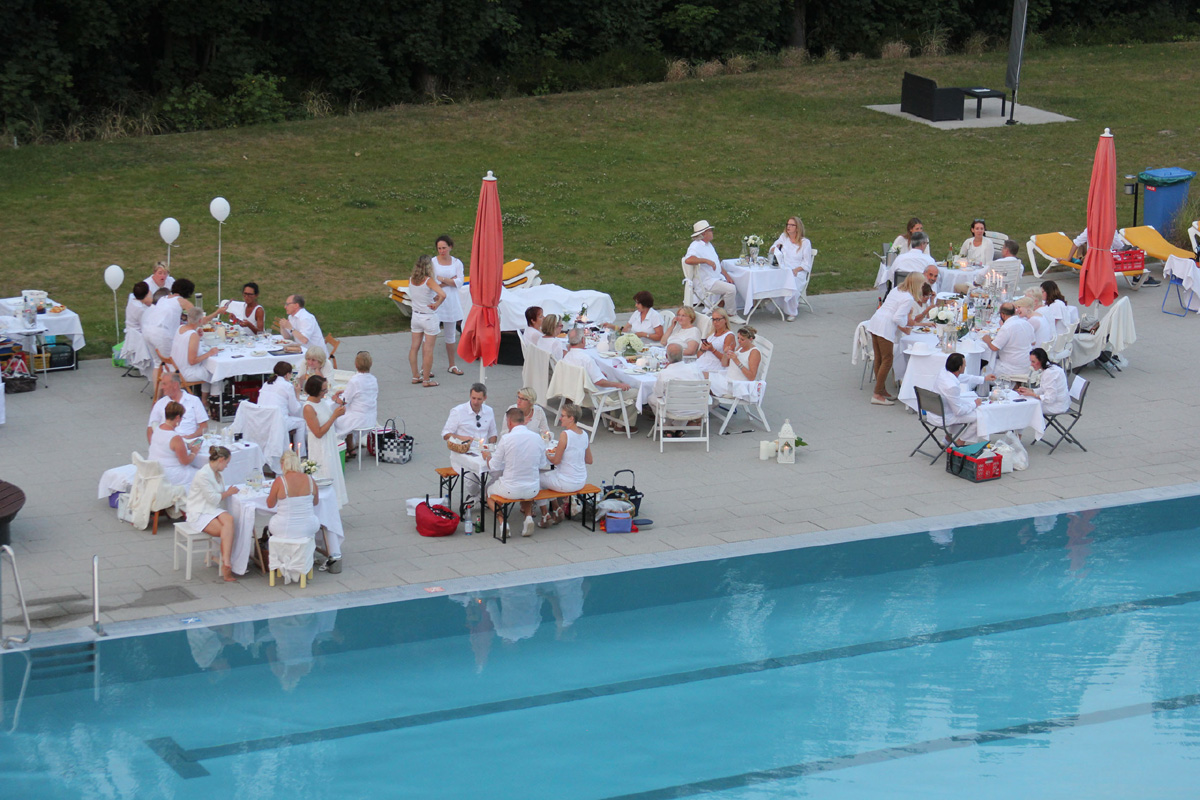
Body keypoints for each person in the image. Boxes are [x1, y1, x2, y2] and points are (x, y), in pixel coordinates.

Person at [483, 407, 549, 539]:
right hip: (533, 489)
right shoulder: (537, 438)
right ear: (524, 421)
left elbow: (494, 467)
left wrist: (487, 457)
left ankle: (503, 523)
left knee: (489, 493)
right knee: (526, 487)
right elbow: (542, 464)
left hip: (510, 489)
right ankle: (528, 517)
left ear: (509, 422)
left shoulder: (507, 439)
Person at [867, 272, 928, 406]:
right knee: (887, 360)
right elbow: (897, 318)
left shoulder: (897, 289)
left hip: (876, 321)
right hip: (885, 327)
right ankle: (877, 393)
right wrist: (907, 321)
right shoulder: (908, 298)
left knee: (879, 358)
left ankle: (881, 389)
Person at [561, 329, 637, 433]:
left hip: (578, 393)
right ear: (583, 340)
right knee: (636, 392)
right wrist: (618, 384)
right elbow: (599, 382)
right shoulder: (586, 359)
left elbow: (591, 376)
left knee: (614, 381)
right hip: (595, 397)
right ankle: (621, 425)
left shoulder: (568, 356)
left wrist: (599, 373)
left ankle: (612, 421)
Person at [266, 448, 325, 576]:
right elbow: (315, 502)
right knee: (313, 521)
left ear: (283, 464)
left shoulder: (280, 481)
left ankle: (282, 559)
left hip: (284, 527)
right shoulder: (310, 480)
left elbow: (270, 504)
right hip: (307, 526)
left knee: (271, 523)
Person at [186, 446, 241, 582]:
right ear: (221, 460)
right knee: (225, 530)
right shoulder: (203, 474)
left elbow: (217, 495)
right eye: (227, 462)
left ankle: (224, 561)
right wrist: (228, 493)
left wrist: (227, 492)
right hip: (199, 511)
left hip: (212, 509)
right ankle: (226, 564)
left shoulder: (217, 474)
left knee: (229, 519)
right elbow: (213, 498)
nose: (227, 466)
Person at [442, 382, 499, 504]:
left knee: (500, 472)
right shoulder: (458, 411)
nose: (475, 402)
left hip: (483, 451)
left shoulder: (489, 411)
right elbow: (445, 434)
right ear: (470, 396)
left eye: (479, 399)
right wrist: (461, 437)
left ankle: (483, 496)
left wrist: (491, 447)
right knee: (472, 480)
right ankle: (482, 496)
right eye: (473, 398)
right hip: (463, 453)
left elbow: (493, 434)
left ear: (485, 398)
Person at [539, 402, 592, 528]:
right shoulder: (584, 434)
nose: (560, 418)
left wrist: (546, 454)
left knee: (537, 479)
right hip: (581, 480)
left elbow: (556, 461)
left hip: (566, 482)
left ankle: (545, 514)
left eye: (563, 416)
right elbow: (589, 460)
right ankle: (556, 509)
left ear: (571, 418)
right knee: (548, 476)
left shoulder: (565, 435)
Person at [684, 220, 746, 324]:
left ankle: (720, 310)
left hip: (715, 277)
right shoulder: (696, 246)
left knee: (735, 281)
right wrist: (705, 260)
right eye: (710, 230)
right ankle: (731, 314)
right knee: (730, 289)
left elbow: (717, 263)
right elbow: (688, 260)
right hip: (706, 282)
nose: (712, 232)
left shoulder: (708, 245)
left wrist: (727, 276)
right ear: (704, 233)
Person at [303, 375, 348, 509]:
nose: (326, 392)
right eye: (323, 390)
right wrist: (334, 416)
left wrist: (337, 403)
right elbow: (318, 432)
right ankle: (325, 509)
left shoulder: (321, 402)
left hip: (329, 443)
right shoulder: (308, 408)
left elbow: (327, 412)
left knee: (333, 471)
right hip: (320, 446)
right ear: (316, 391)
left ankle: (334, 506)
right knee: (324, 473)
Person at [407, 255, 447, 387]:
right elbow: (443, 294)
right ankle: (426, 380)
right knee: (428, 350)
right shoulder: (428, 280)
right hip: (429, 316)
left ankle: (415, 375)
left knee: (414, 348)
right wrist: (437, 304)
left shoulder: (411, 279)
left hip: (416, 316)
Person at [431, 235, 466, 376]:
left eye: (444, 248)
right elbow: (432, 281)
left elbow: (459, 281)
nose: (441, 250)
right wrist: (448, 281)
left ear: (450, 247)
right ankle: (426, 366)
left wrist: (443, 280)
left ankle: (452, 365)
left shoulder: (457, 263)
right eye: (439, 248)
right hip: (436, 300)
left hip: (451, 301)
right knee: (430, 334)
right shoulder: (432, 262)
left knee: (450, 335)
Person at [170, 307, 219, 407]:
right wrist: (209, 353)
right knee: (217, 374)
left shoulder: (180, 328)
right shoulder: (193, 335)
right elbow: (192, 360)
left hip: (175, 369)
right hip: (186, 373)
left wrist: (197, 335)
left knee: (208, 368)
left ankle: (204, 401)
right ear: (200, 320)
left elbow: (185, 345)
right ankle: (214, 405)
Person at [148, 401, 203, 487]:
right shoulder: (175, 437)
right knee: (202, 475)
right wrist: (194, 452)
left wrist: (187, 446)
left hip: (155, 470)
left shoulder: (158, 428)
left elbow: (167, 448)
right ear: (177, 417)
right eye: (182, 418)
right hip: (169, 474)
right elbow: (185, 461)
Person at [333, 350, 379, 453]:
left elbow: (343, 401)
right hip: (371, 417)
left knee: (334, 418)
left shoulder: (355, 380)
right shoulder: (373, 379)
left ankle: (340, 448)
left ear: (356, 364)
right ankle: (351, 447)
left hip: (358, 419)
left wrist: (335, 397)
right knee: (346, 413)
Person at [936, 353, 985, 445]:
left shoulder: (943, 372)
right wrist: (975, 404)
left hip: (935, 411)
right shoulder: (952, 386)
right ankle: (959, 442)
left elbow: (962, 377)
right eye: (964, 364)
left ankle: (947, 439)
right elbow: (958, 411)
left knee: (965, 404)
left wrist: (983, 378)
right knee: (980, 417)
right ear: (959, 368)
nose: (965, 366)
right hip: (943, 416)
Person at [142, 277, 197, 361]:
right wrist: (217, 312)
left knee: (158, 363)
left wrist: (183, 317)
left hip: (147, 331)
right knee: (171, 364)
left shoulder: (163, 298)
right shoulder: (182, 301)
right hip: (161, 333)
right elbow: (196, 318)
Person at [771, 216, 814, 321]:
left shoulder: (805, 243)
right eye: (787, 225)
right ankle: (764, 301)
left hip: (798, 271)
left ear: (797, 227)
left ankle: (791, 312)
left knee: (792, 282)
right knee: (773, 277)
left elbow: (807, 263)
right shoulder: (784, 238)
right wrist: (776, 248)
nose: (788, 227)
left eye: (791, 225)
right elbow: (772, 249)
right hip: (784, 268)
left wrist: (796, 270)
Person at [147, 373, 209, 442]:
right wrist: (154, 447)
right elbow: (150, 428)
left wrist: (190, 437)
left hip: (190, 441)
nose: (162, 387)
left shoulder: (194, 400)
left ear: (175, 385)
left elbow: (204, 426)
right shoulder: (160, 403)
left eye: (164, 384)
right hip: (167, 444)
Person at [983, 302, 1036, 379]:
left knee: (985, 370)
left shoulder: (1006, 327)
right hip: (1027, 364)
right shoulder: (1026, 323)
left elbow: (994, 348)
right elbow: (1033, 342)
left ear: (1002, 315)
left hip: (1012, 367)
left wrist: (987, 340)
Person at [257, 361, 306, 446]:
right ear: (287, 374)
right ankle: (300, 453)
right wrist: (297, 393)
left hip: (263, 420)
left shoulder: (266, 383)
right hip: (278, 422)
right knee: (301, 422)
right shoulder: (287, 386)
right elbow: (294, 410)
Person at [1018, 348, 1070, 414]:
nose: (1031, 364)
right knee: (1026, 400)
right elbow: (1045, 389)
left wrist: (1032, 394)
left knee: (1025, 406)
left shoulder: (1049, 373)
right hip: (1061, 403)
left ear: (1041, 361)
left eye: (1033, 362)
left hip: (1056, 406)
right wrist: (1031, 390)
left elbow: (1049, 399)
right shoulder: (1051, 367)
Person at [694, 307, 735, 374]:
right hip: (702, 363)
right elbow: (698, 355)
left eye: (718, 319)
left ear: (725, 320)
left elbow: (727, 361)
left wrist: (713, 350)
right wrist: (702, 349)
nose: (715, 322)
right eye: (713, 319)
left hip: (715, 368)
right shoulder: (711, 334)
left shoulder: (729, 336)